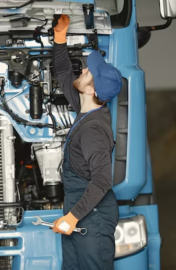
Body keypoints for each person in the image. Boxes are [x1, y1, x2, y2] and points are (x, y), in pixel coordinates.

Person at [51, 15, 121, 270]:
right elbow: (63, 72)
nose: (83, 69)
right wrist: (60, 37)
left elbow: (102, 180)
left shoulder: (93, 129)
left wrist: (72, 217)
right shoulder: (86, 108)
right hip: (79, 208)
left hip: (92, 215)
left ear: (91, 90)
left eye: (88, 72)